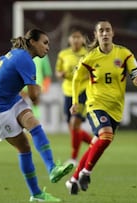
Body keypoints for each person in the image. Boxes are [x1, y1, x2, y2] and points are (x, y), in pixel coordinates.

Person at [0, 29, 73, 202]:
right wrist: (37, 92)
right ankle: (36, 195)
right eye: (45, 42)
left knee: (34, 124)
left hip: (12, 99)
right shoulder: (26, 61)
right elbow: (34, 98)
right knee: (24, 148)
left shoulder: (14, 54)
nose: (48, 47)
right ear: (33, 42)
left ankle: (52, 169)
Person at [65, 21, 137, 195]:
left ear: (113, 33)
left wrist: (136, 78)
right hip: (95, 104)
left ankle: (73, 179)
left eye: (108, 30)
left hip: (116, 107)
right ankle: (86, 173)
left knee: (96, 143)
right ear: (96, 34)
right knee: (106, 135)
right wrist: (75, 101)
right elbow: (77, 79)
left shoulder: (123, 53)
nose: (105, 33)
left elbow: (134, 68)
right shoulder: (90, 58)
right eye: (101, 30)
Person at [55, 29, 92, 166]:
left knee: (75, 124)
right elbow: (57, 71)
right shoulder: (63, 54)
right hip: (67, 92)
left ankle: (73, 158)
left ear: (83, 40)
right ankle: (94, 143)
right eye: (73, 37)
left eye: (78, 37)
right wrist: (61, 74)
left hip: (83, 92)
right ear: (69, 40)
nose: (76, 40)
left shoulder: (88, 54)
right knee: (72, 128)